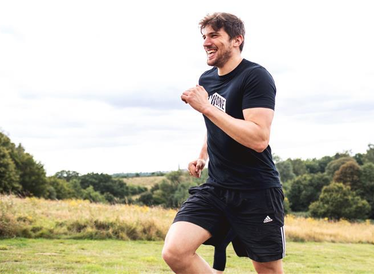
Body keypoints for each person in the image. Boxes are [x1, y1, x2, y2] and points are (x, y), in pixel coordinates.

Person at [162, 12, 285, 274]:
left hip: (256, 192)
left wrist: (206, 107)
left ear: (237, 40)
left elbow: (259, 138)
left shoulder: (255, 77)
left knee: (268, 270)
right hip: (216, 188)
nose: (206, 42)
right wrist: (203, 155)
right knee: (175, 252)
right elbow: (218, 123)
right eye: (204, 37)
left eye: (215, 35)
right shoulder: (207, 79)